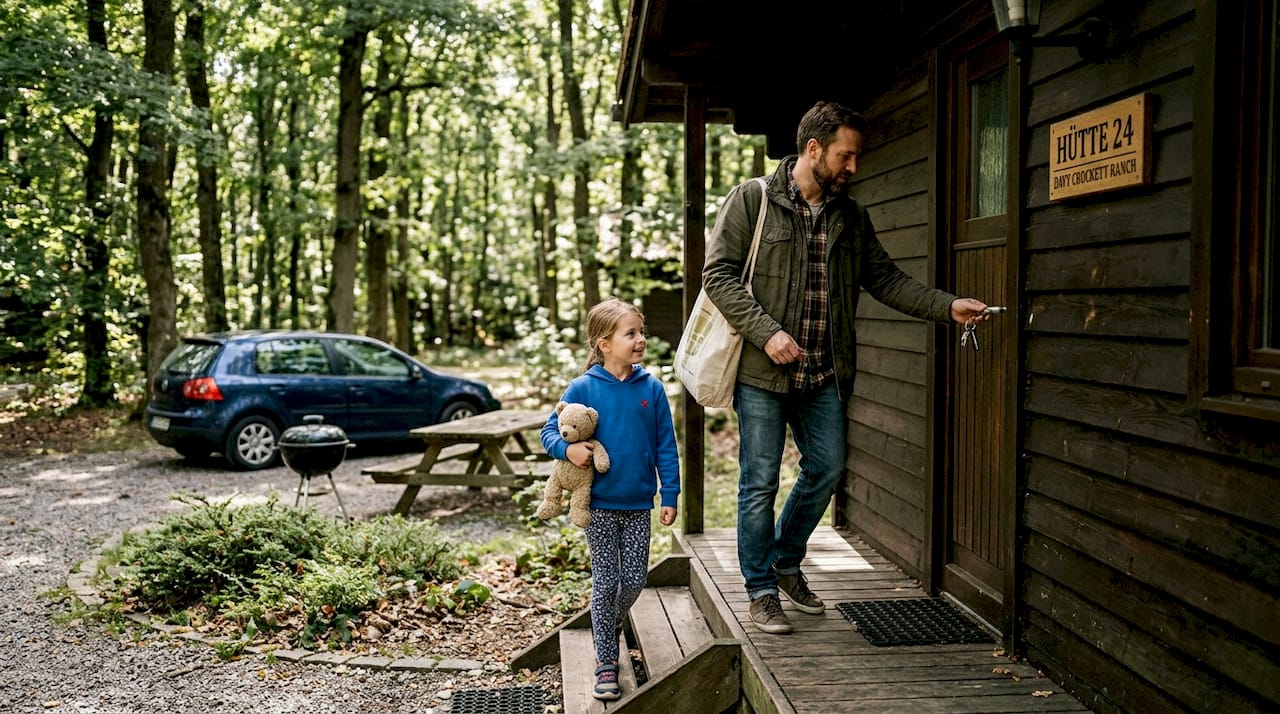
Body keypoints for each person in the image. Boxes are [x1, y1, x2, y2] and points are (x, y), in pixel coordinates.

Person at [702, 100, 991, 635]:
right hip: (763, 375)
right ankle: (761, 589)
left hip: (824, 375)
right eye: (845, 156)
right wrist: (768, 334)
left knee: (828, 469)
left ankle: (786, 563)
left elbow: (886, 280)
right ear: (813, 149)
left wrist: (947, 306)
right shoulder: (752, 200)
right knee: (760, 480)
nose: (852, 168)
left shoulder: (851, 216)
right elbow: (718, 276)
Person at [540, 297, 681, 700]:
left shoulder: (651, 389)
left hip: (639, 504)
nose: (640, 340)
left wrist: (669, 492)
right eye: (630, 334)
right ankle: (606, 661)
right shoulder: (582, 388)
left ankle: (606, 624)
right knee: (605, 583)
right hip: (598, 504)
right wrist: (568, 451)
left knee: (634, 582)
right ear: (604, 343)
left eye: (642, 333)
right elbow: (550, 432)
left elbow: (666, 446)